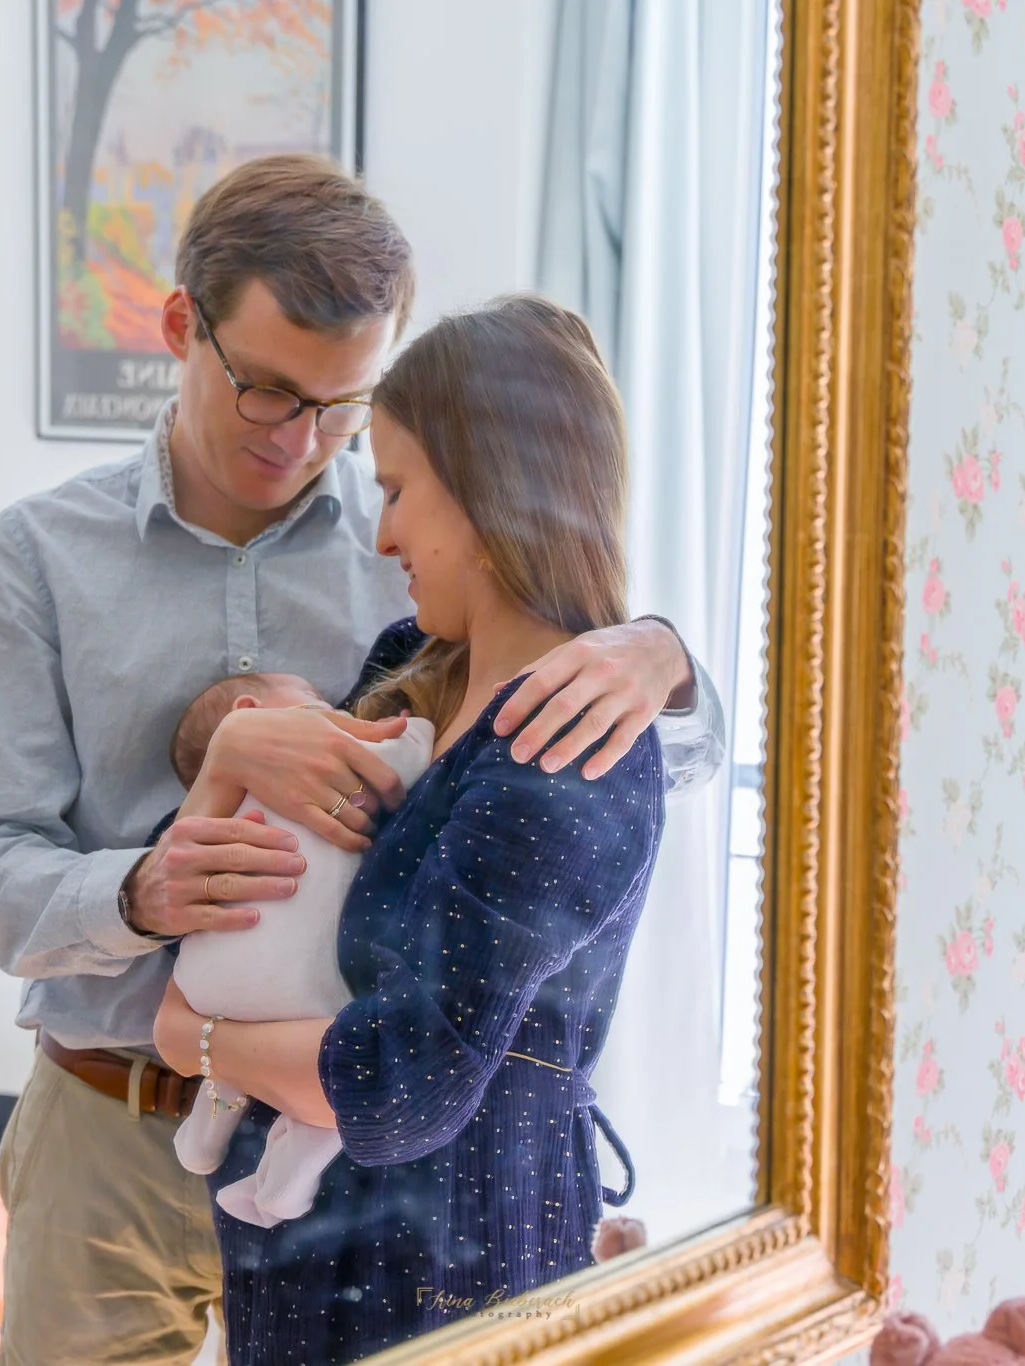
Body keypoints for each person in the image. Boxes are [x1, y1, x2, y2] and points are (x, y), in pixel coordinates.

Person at [0, 155, 724, 1365]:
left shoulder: (421, 539)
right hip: (108, 1131)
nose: (303, 440)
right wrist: (146, 893)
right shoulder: (37, 558)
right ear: (177, 329)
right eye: (266, 391)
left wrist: (662, 655)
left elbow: (609, 778)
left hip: (351, 1149)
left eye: (341, 404)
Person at [153, 295, 665, 1364]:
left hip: (447, 1272)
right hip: (322, 1253)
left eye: (395, 490)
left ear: (487, 491)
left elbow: (403, 1081)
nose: (381, 530)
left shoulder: (564, 746)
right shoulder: (411, 661)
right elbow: (285, 857)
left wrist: (194, 1040)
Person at [163, 672, 435, 1230]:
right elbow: (398, 762)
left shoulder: (220, 801)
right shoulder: (310, 752)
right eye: (312, 698)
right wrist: (419, 734)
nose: (327, 706)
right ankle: (285, 1187)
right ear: (247, 711)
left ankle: (200, 1140)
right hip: (298, 985)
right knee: (337, 1077)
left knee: (229, 1062)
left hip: (205, 982)